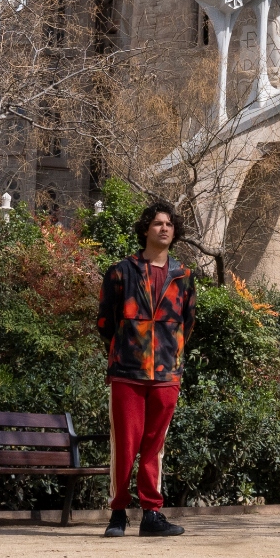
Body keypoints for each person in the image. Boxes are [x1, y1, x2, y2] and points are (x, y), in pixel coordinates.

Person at [96, 201, 195, 539]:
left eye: (168, 224)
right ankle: (118, 513)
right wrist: (128, 347)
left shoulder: (183, 276)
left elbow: (188, 323)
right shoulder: (121, 271)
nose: (163, 228)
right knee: (124, 444)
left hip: (167, 374)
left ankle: (152, 513)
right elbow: (105, 321)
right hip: (127, 372)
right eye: (156, 223)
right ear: (145, 229)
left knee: (155, 445)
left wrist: (171, 355)